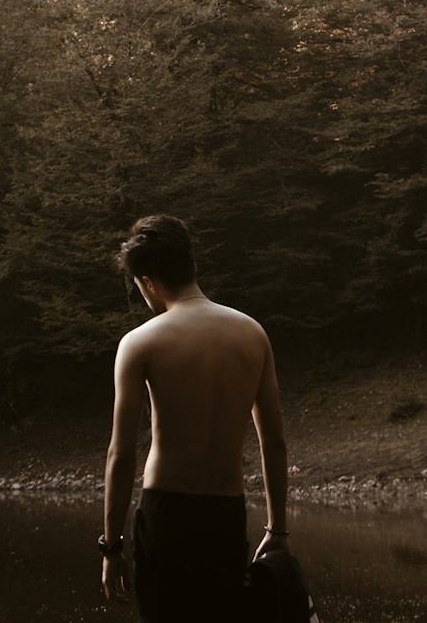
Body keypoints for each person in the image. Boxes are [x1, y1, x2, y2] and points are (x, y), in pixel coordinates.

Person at [99, 214, 291, 620]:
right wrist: (277, 530)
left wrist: (112, 546)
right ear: (192, 266)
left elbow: (121, 454)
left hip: (166, 515)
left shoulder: (139, 343)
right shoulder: (252, 333)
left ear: (148, 281)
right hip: (226, 513)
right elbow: (273, 440)